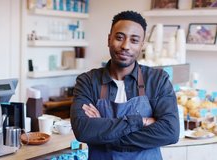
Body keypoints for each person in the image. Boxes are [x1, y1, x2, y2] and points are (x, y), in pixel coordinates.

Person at [70, 10, 179, 160]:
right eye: (119, 37)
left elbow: (170, 132)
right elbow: (83, 131)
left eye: (134, 40)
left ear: (142, 45)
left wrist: (103, 134)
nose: (125, 46)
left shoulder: (157, 80)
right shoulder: (88, 81)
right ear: (109, 39)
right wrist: (141, 121)